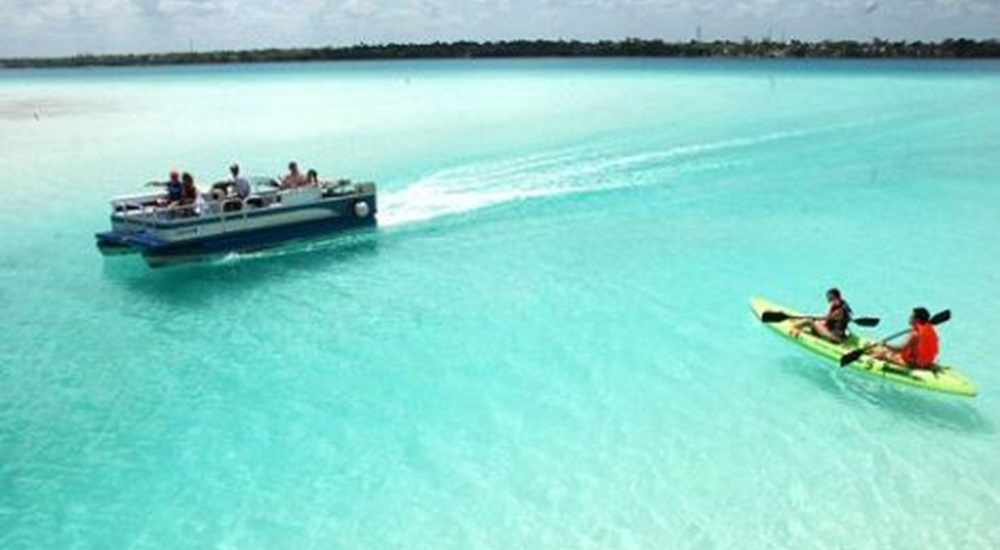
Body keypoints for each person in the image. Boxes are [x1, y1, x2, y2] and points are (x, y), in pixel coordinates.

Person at [872, 307, 940, 369]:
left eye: (912, 316)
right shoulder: (928, 329)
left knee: (880, 352)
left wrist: (885, 345)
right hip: (925, 363)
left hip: (911, 364)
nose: (910, 317)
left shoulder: (915, 334)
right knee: (881, 349)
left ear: (917, 319)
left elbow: (900, 349)